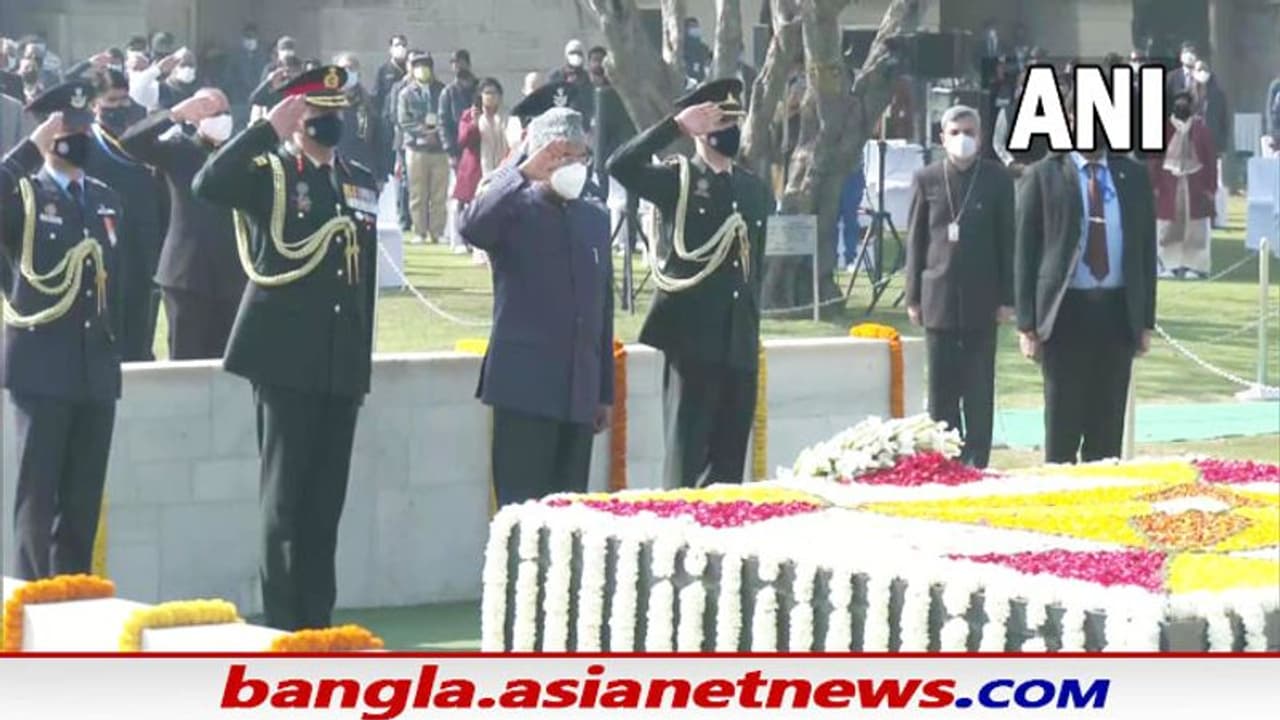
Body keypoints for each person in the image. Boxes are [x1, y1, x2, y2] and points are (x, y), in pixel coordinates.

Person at [192, 65, 378, 631]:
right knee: (284, 502)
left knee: (326, 504)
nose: (330, 124)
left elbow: (360, 275)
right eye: (318, 114)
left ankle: (318, 620)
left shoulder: (359, 179)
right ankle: (282, 622)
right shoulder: (270, 174)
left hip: (340, 361)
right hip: (284, 359)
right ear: (297, 117)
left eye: (336, 114)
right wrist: (263, 131)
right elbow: (209, 185)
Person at [607, 78, 770, 488]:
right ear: (701, 125)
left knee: (730, 465)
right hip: (693, 339)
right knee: (686, 456)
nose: (730, 129)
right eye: (719, 118)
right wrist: (674, 127)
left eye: (734, 119)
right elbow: (620, 165)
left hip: (739, 341)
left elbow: (754, 268)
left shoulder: (753, 190)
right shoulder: (676, 180)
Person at [457, 103, 613, 506]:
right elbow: (472, 226)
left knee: (570, 521)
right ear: (539, 156)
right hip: (525, 390)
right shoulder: (514, 207)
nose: (573, 164)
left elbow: (602, 309)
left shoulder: (593, 217)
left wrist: (603, 392)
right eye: (560, 155)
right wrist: (521, 172)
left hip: (578, 392)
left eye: (579, 155)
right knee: (522, 516)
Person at [1, 80, 122, 580]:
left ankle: (73, 604)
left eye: (84, 127)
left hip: (94, 368)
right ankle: (30, 605)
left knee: (81, 501)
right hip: (41, 365)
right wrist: (27, 153)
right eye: (69, 129)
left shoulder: (104, 197)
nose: (80, 138)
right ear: (49, 131)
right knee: (39, 495)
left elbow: (123, 282)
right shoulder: (24, 194)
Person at [1015, 90, 1157, 465]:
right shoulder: (1043, 175)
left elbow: (1144, 251)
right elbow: (1025, 253)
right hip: (1065, 312)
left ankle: (1103, 497)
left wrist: (1145, 322)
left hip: (1115, 311)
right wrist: (1027, 324)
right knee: (1063, 421)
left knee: (1107, 425)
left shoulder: (1133, 175)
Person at [905, 106, 1015, 469]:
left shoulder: (997, 180)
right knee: (941, 391)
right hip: (937, 299)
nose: (962, 138)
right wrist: (913, 298)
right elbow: (916, 242)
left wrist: (1007, 299)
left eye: (968, 131)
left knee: (979, 388)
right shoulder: (927, 178)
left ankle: (977, 460)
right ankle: (944, 460)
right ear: (942, 137)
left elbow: (1007, 242)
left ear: (980, 136)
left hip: (983, 301)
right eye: (954, 132)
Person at [121, 88, 245, 360]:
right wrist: (175, 114)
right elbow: (130, 143)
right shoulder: (180, 150)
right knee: (186, 359)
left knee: (228, 362)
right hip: (187, 275)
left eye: (225, 112)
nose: (221, 118)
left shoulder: (240, 154)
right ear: (196, 118)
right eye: (212, 112)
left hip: (233, 275)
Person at [82, 69, 164, 362]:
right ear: (94, 104)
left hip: (142, 244)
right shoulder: (86, 144)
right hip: (104, 245)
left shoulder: (141, 138)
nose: (119, 107)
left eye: (124, 100)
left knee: (140, 320)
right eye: (112, 100)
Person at [1150, 91, 1217, 280]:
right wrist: (1154, 184)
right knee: (1168, 226)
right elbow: (1155, 159)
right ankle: (1169, 264)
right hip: (1168, 184)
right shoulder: (1163, 129)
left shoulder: (1200, 130)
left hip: (1196, 184)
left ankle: (1195, 265)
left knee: (1196, 226)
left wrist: (1211, 187)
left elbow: (1210, 158)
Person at [453, 77, 510, 265]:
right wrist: (474, 123)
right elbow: (463, 141)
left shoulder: (507, 117)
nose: (490, 97)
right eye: (486, 93)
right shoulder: (469, 115)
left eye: (494, 93)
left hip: (502, 168)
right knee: (473, 209)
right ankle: (468, 244)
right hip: (476, 169)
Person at [398, 51, 448, 245]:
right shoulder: (406, 93)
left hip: (439, 150)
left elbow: (445, 116)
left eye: (425, 65)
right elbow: (404, 121)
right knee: (418, 193)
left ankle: (437, 232)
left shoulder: (442, 90)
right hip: (416, 149)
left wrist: (438, 134)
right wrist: (423, 133)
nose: (422, 69)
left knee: (438, 193)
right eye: (418, 66)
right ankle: (419, 232)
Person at [440, 49, 478, 253]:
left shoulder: (479, 89)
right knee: (458, 198)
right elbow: (443, 123)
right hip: (458, 152)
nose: (457, 67)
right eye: (454, 63)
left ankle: (475, 238)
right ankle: (458, 239)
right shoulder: (448, 92)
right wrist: (450, 152)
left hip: (477, 151)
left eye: (461, 62)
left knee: (477, 196)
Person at [335, 52, 378, 176]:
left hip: (362, 166)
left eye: (351, 68)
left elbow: (376, 139)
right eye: (343, 69)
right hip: (335, 165)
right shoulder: (326, 102)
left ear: (358, 74)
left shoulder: (369, 102)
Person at [375, 34, 409, 180]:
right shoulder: (384, 70)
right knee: (388, 161)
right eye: (397, 45)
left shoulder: (411, 70)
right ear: (390, 49)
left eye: (403, 45)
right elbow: (377, 96)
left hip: (406, 122)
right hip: (388, 123)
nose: (400, 48)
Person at [228, 23, 268, 129]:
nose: (250, 41)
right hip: (239, 100)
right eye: (247, 37)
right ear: (242, 39)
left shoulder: (263, 56)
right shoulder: (235, 57)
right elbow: (229, 78)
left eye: (252, 37)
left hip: (258, 100)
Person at [547, 40, 593, 119]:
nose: (576, 56)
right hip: (561, 120)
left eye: (579, 53)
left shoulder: (589, 77)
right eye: (572, 53)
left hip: (584, 121)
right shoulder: (556, 76)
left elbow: (591, 102)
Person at [682, 18, 712, 83]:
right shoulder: (682, 48)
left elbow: (708, 63)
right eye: (692, 26)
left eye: (696, 26)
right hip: (687, 83)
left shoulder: (703, 47)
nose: (695, 29)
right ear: (686, 29)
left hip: (701, 82)